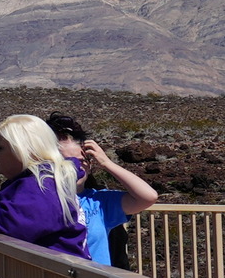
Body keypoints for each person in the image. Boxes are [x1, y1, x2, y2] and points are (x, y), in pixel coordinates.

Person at [0, 114, 93, 259]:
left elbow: (16, 223)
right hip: (49, 274)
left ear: (23, 150)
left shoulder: (43, 184)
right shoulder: (43, 181)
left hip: (53, 276)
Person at [44, 110, 161, 267]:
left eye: (81, 160)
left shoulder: (99, 202)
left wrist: (106, 163)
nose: (76, 166)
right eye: (65, 161)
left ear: (91, 164)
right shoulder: (41, 200)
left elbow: (148, 197)